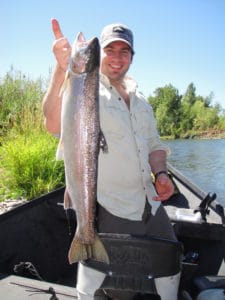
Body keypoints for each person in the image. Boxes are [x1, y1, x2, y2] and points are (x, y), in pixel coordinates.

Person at [42, 19, 180, 300]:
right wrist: (61, 68)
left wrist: (162, 174)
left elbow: (154, 145)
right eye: (109, 50)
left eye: (124, 51)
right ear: (100, 56)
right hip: (113, 206)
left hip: (151, 204)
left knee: (170, 262)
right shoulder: (84, 88)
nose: (117, 58)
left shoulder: (141, 100)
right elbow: (52, 123)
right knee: (118, 286)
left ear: (132, 56)